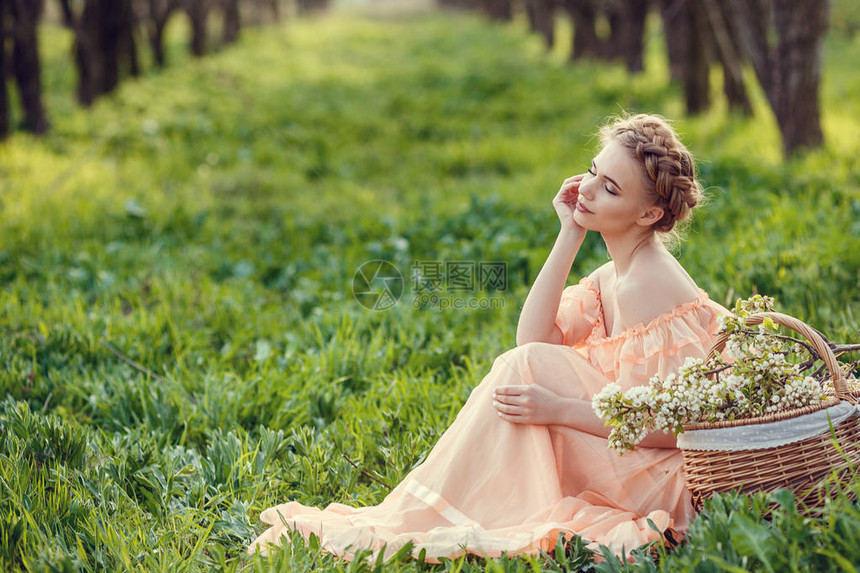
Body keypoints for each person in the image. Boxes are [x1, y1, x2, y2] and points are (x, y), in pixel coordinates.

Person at [247, 113, 731, 564]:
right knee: (523, 369)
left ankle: (433, 511)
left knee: (526, 379)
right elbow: (534, 339)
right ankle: (431, 510)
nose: (587, 190)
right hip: (631, 452)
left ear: (647, 216)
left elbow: (679, 426)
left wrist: (557, 409)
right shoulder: (615, 274)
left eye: (609, 188)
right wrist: (569, 234)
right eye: (590, 171)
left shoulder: (648, 282)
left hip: (668, 475)